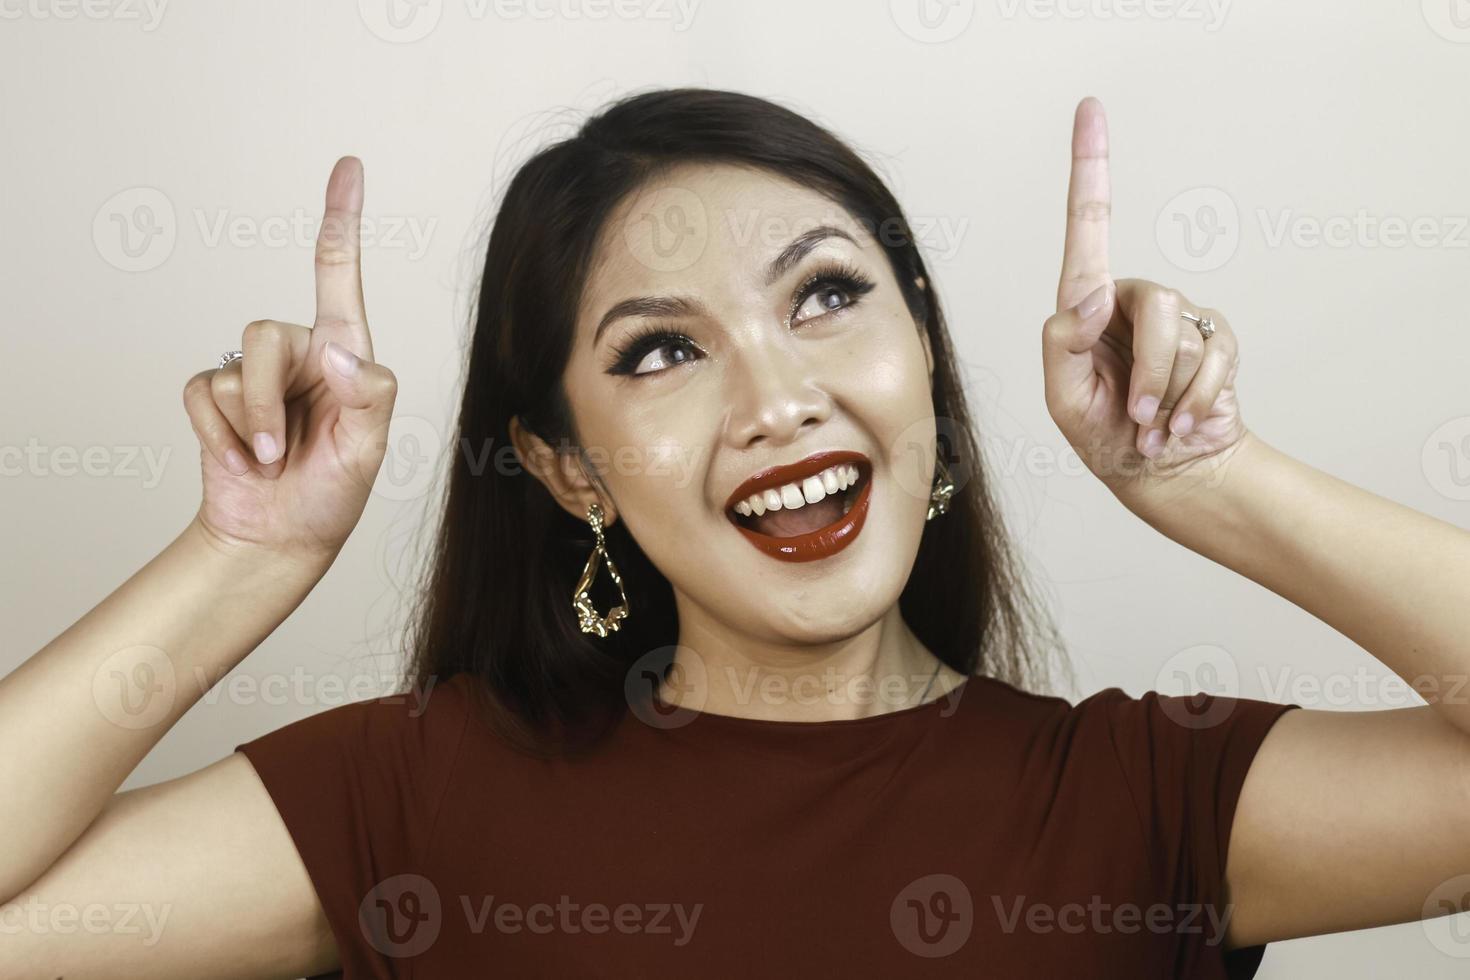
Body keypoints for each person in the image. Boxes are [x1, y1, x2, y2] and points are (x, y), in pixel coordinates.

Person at [4, 88, 1469, 978]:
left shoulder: (1145, 798)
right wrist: (246, 557)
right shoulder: (413, 795)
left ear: (928, 364)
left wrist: (1204, 475)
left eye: (826, 296)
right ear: (567, 470)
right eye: (658, 351)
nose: (777, 397)